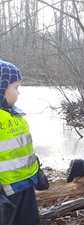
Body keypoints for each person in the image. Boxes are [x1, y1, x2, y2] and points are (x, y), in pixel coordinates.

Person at [0, 60, 41, 225]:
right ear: (1, 90)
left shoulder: (14, 116)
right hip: (6, 191)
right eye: (15, 88)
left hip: (25, 184)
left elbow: (23, 148)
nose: (19, 93)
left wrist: (38, 171)